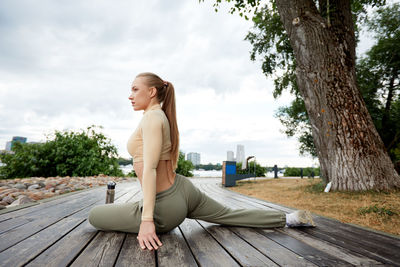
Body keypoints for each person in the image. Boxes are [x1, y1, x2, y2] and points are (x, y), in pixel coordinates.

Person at [88, 72, 315, 251]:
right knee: (228, 214)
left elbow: (150, 170)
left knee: (95, 215)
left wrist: (146, 221)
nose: (130, 95)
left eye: (135, 89)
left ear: (152, 91)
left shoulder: (152, 118)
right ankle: (289, 218)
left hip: (165, 207)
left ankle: (288, 219)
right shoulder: (159, 116)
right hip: (183, 189)